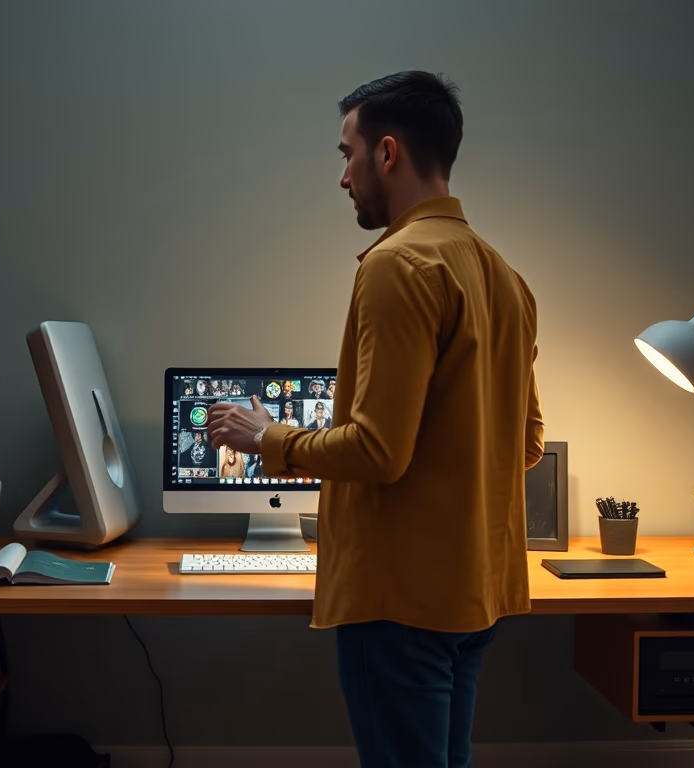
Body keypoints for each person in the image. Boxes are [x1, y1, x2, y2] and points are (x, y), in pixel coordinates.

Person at [207, 70, 544, 768]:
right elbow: (528, 442)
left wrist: (261, 436)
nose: (342, 177)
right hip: (472, 594)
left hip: (399, 603)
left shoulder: (398, 265)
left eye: (345, 153)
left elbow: (379, 452)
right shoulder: (505, 277)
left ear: (386, 153)